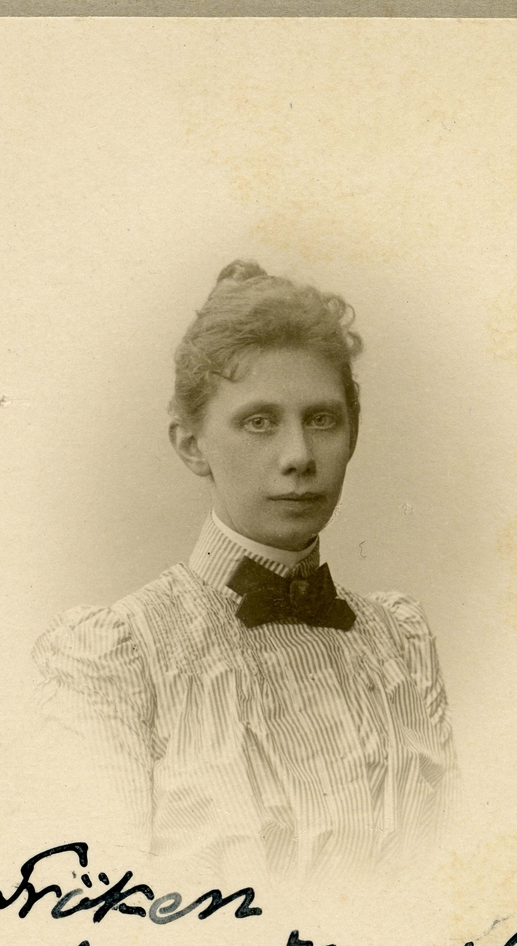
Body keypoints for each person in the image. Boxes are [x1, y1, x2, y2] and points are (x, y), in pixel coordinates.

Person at [33, 261, 458, 884]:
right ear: (191, 444)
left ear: (353, 434)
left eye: (322, 419)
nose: (299, 457)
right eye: (259, 422)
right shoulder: (119, 658)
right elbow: (93, 907)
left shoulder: (401, 642)